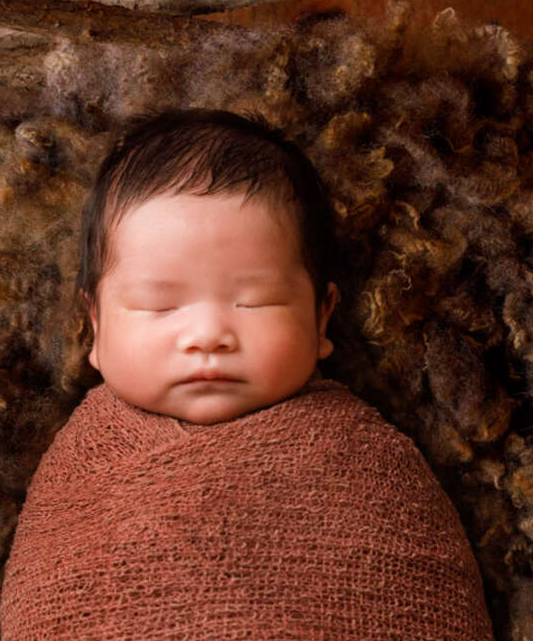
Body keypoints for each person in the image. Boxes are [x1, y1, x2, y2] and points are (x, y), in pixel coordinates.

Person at [74, 108, 342, 425]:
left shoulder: (359, 444)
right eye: (159, 306)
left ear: (321, 317)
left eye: (255, 302)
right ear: (96, 324)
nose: (207, 335)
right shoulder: (80, 457)